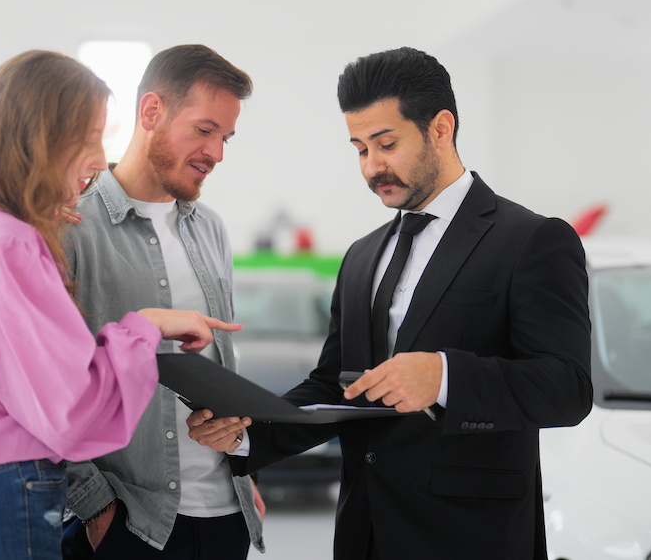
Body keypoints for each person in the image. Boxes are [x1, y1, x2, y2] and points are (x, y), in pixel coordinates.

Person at [189, 46, 593, 559]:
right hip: (366, 532)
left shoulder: (532, 240)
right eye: (359, 148)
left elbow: (567, 387)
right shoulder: (362, 256)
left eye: (386, 144)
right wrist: (247, 433)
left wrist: (444, 376)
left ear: (441, 128)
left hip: (473, 538)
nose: (372, 166)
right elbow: (337, 383)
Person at [0, 49, 236, 559]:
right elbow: (74, 412)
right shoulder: (11, 243)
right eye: (90, 137)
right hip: (9, 502)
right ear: (42, 135)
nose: (99, 158)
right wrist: (145, 327)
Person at [59, 44, 265, 559]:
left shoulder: (211, 230)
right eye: (204, 129)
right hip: (130, 522)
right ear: (152, 112)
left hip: (226, 516)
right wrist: (96, 508)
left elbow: (222, 368)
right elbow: (49, 382)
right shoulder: (72, 229)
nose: (216, 153)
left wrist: (243, 460)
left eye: (225, 137)